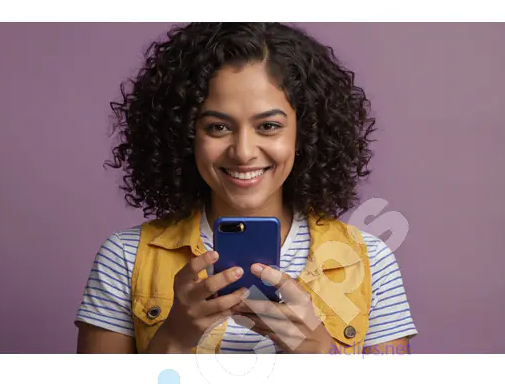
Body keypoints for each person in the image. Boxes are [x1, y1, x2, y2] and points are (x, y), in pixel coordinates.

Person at [74, 22, 418, 354]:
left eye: (268, 126)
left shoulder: (369, 261)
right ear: (185, 134)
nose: (243, 151)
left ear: (306, 132)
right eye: (218, 127)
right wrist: (174, 339)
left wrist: (317, 353)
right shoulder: (125, 258)